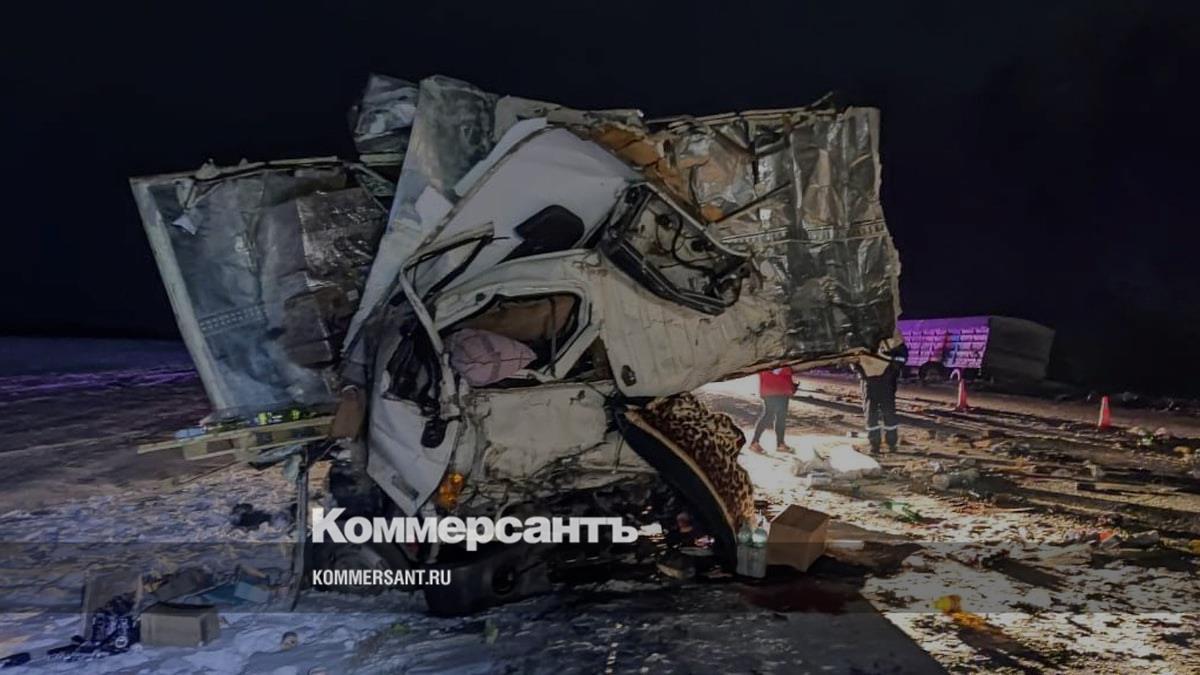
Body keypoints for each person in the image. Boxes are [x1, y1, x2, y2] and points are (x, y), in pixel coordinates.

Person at [856, 338, 909, 453]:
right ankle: (875, 444)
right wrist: (864, 372)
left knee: (888, 412)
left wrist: (891, 370)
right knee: (871, 413)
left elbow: (902, 356)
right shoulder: (861, 338)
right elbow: (854, 359)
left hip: (885, 381)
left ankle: (891, 443)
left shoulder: (891, 338)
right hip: (870, 382)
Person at [748, 366, 795, 454]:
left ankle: (780, 444)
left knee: (779, 417)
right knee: (770, 416)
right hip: (775, 389)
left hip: (778, 390)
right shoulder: (772, 363)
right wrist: (787, 370)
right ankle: (755, 442)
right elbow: (780, 371)